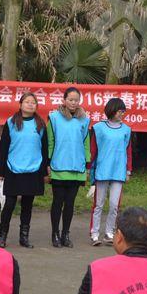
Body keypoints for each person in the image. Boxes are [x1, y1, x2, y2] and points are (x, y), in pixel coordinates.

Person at [0, 92, 50, 249]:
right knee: (9, 204)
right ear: (20, 105)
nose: (30, 105)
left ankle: (24, 237)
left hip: (33, 169)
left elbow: (45, 149)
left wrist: (44, 172)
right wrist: (0, 172)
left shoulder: (40, 124)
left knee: (27, 205)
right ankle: (2, 236)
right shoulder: (11, 122)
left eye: (33, 102)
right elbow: (3, 148)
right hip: (13, 168)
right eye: (27, 102)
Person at [47, 87, 91, 247]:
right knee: (58, 201)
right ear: (64, 100)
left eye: (76, 100)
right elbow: (50, 141)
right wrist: (48, 163)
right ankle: (55, 233)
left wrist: (87, 164)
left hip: (77, 167)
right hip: (58, 166)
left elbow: (86, 143)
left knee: (70, 203)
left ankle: (65, 234)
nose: (73, 103)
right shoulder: (54, 118)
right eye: (70, 99)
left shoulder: (84, 119)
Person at [88, 97, 133, 247]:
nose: (122, 114)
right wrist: (89, 168)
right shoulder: (99, 128)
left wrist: (128, 170)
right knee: (98, 204)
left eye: (123, 111)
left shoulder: (126, 130)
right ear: (112, 110)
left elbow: (128, 151)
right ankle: (94, 233)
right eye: (120, 111)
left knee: (114, 205)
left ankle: (109, 232)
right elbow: (93, 150)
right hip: (102, 170)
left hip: (118, 172)